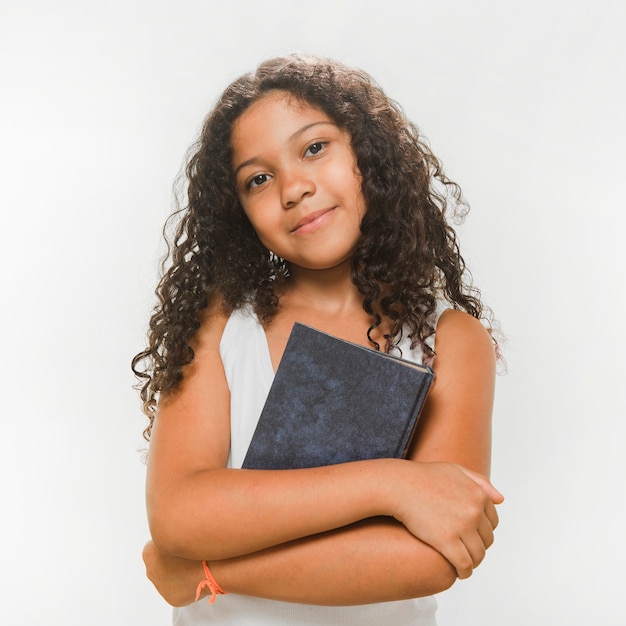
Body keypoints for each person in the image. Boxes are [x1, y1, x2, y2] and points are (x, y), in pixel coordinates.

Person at [133, 54, 504, 626]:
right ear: (240, 214)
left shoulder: (450, 341)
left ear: (367, 153)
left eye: (314, 148)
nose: (294, 189)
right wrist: (392, 484)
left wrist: (209, 574)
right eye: (258, 179)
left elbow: (432, 557)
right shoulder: (225, 324)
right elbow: (179, 517)